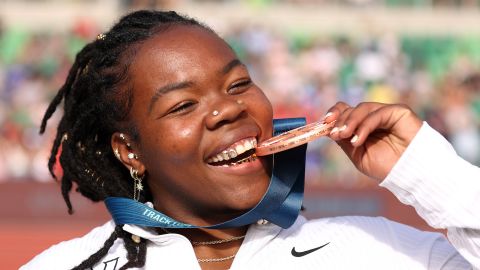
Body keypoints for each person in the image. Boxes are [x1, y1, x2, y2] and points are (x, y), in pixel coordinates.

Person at [21, 10, 479, 270]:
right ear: (130, 151)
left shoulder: (376, 250)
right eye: (183, 105)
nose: (229, 109)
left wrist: (426, 171)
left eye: (238, 84)